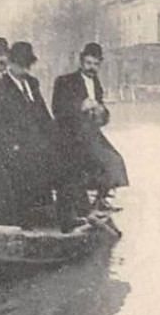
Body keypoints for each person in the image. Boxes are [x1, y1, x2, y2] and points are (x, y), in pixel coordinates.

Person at [0, 40, 55, 227]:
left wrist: (55, 138)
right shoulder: (1, 87)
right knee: (25, 166)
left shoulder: (32, 83)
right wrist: (14, 144)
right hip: (14, 147)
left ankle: (49, 216)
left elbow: (44, 116)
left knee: (55, 158)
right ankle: (24, 221)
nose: (24, 70)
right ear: (11, 63)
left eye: (27, 66)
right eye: (20, 65)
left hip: (36, 144)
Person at [52, 42, 129, 214]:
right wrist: (80, 106)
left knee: (114, 160)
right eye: (88, 63)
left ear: (100, 64)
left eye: (95, 64)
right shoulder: (65, 81)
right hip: (70, 135)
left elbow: (103, 118)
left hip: (91, 134)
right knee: (85, 165)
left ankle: (100, 200)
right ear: (81, 62)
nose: (91, 68)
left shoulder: (97, 85)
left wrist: (102, 112)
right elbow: (57, 109)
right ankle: (82, 207)